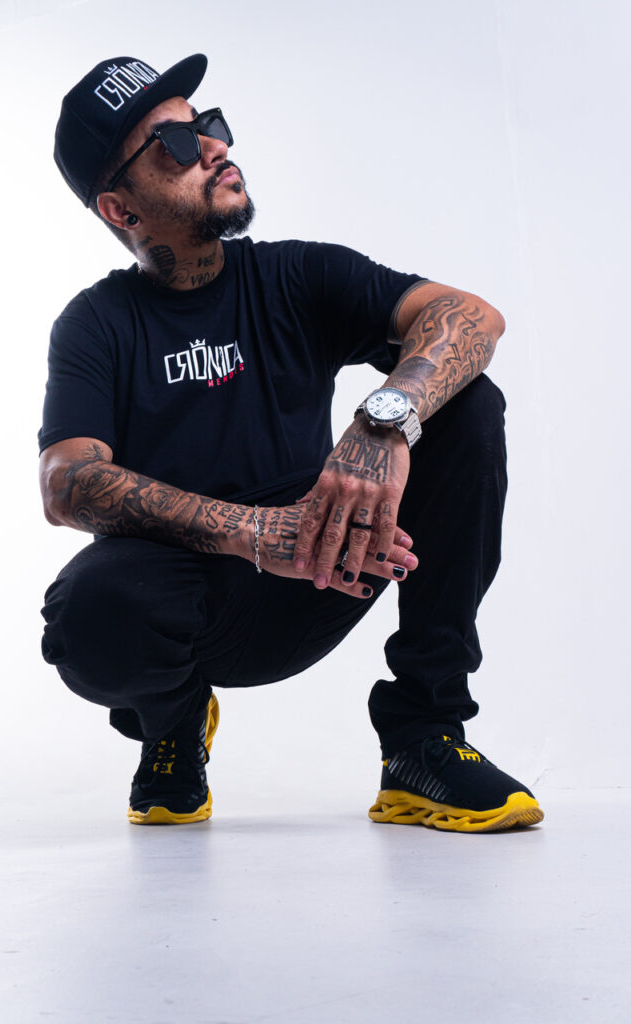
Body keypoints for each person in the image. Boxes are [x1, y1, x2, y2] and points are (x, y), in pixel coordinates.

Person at [39, 52, 543, 833]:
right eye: (175, 143)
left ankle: (423, 737)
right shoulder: (96, 323)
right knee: (86, 612)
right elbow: (67, 483)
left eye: (208, 124)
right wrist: (248, 532)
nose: (215, 146)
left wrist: (382, 421)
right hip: (185, 595)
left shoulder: (297, 276)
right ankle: (173, 725)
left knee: (467, 405)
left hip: (323, 558)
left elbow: (471, 316)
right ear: (120, 207)